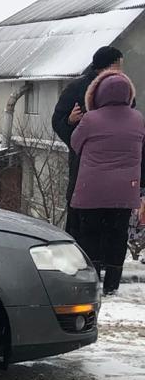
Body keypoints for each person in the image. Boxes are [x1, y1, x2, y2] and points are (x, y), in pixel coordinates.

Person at [70, 70, 145, 295]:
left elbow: (75, 143)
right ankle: (112, 284)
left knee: (90, 234)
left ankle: (91, 280)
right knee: (117, 234)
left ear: (97, 94)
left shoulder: (91, 119)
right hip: (124, 191)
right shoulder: (138, 118)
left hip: (90, 189)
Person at [52, 46, 127, 242]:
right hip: (84, 164)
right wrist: (70, 123)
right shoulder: (77, 88)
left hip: (117, 163)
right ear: (104, 67)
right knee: (81, 219)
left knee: (112, 220)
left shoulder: (123, 88)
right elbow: (58, 121)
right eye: (117, 66)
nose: (120, 71)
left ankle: (107, 264)